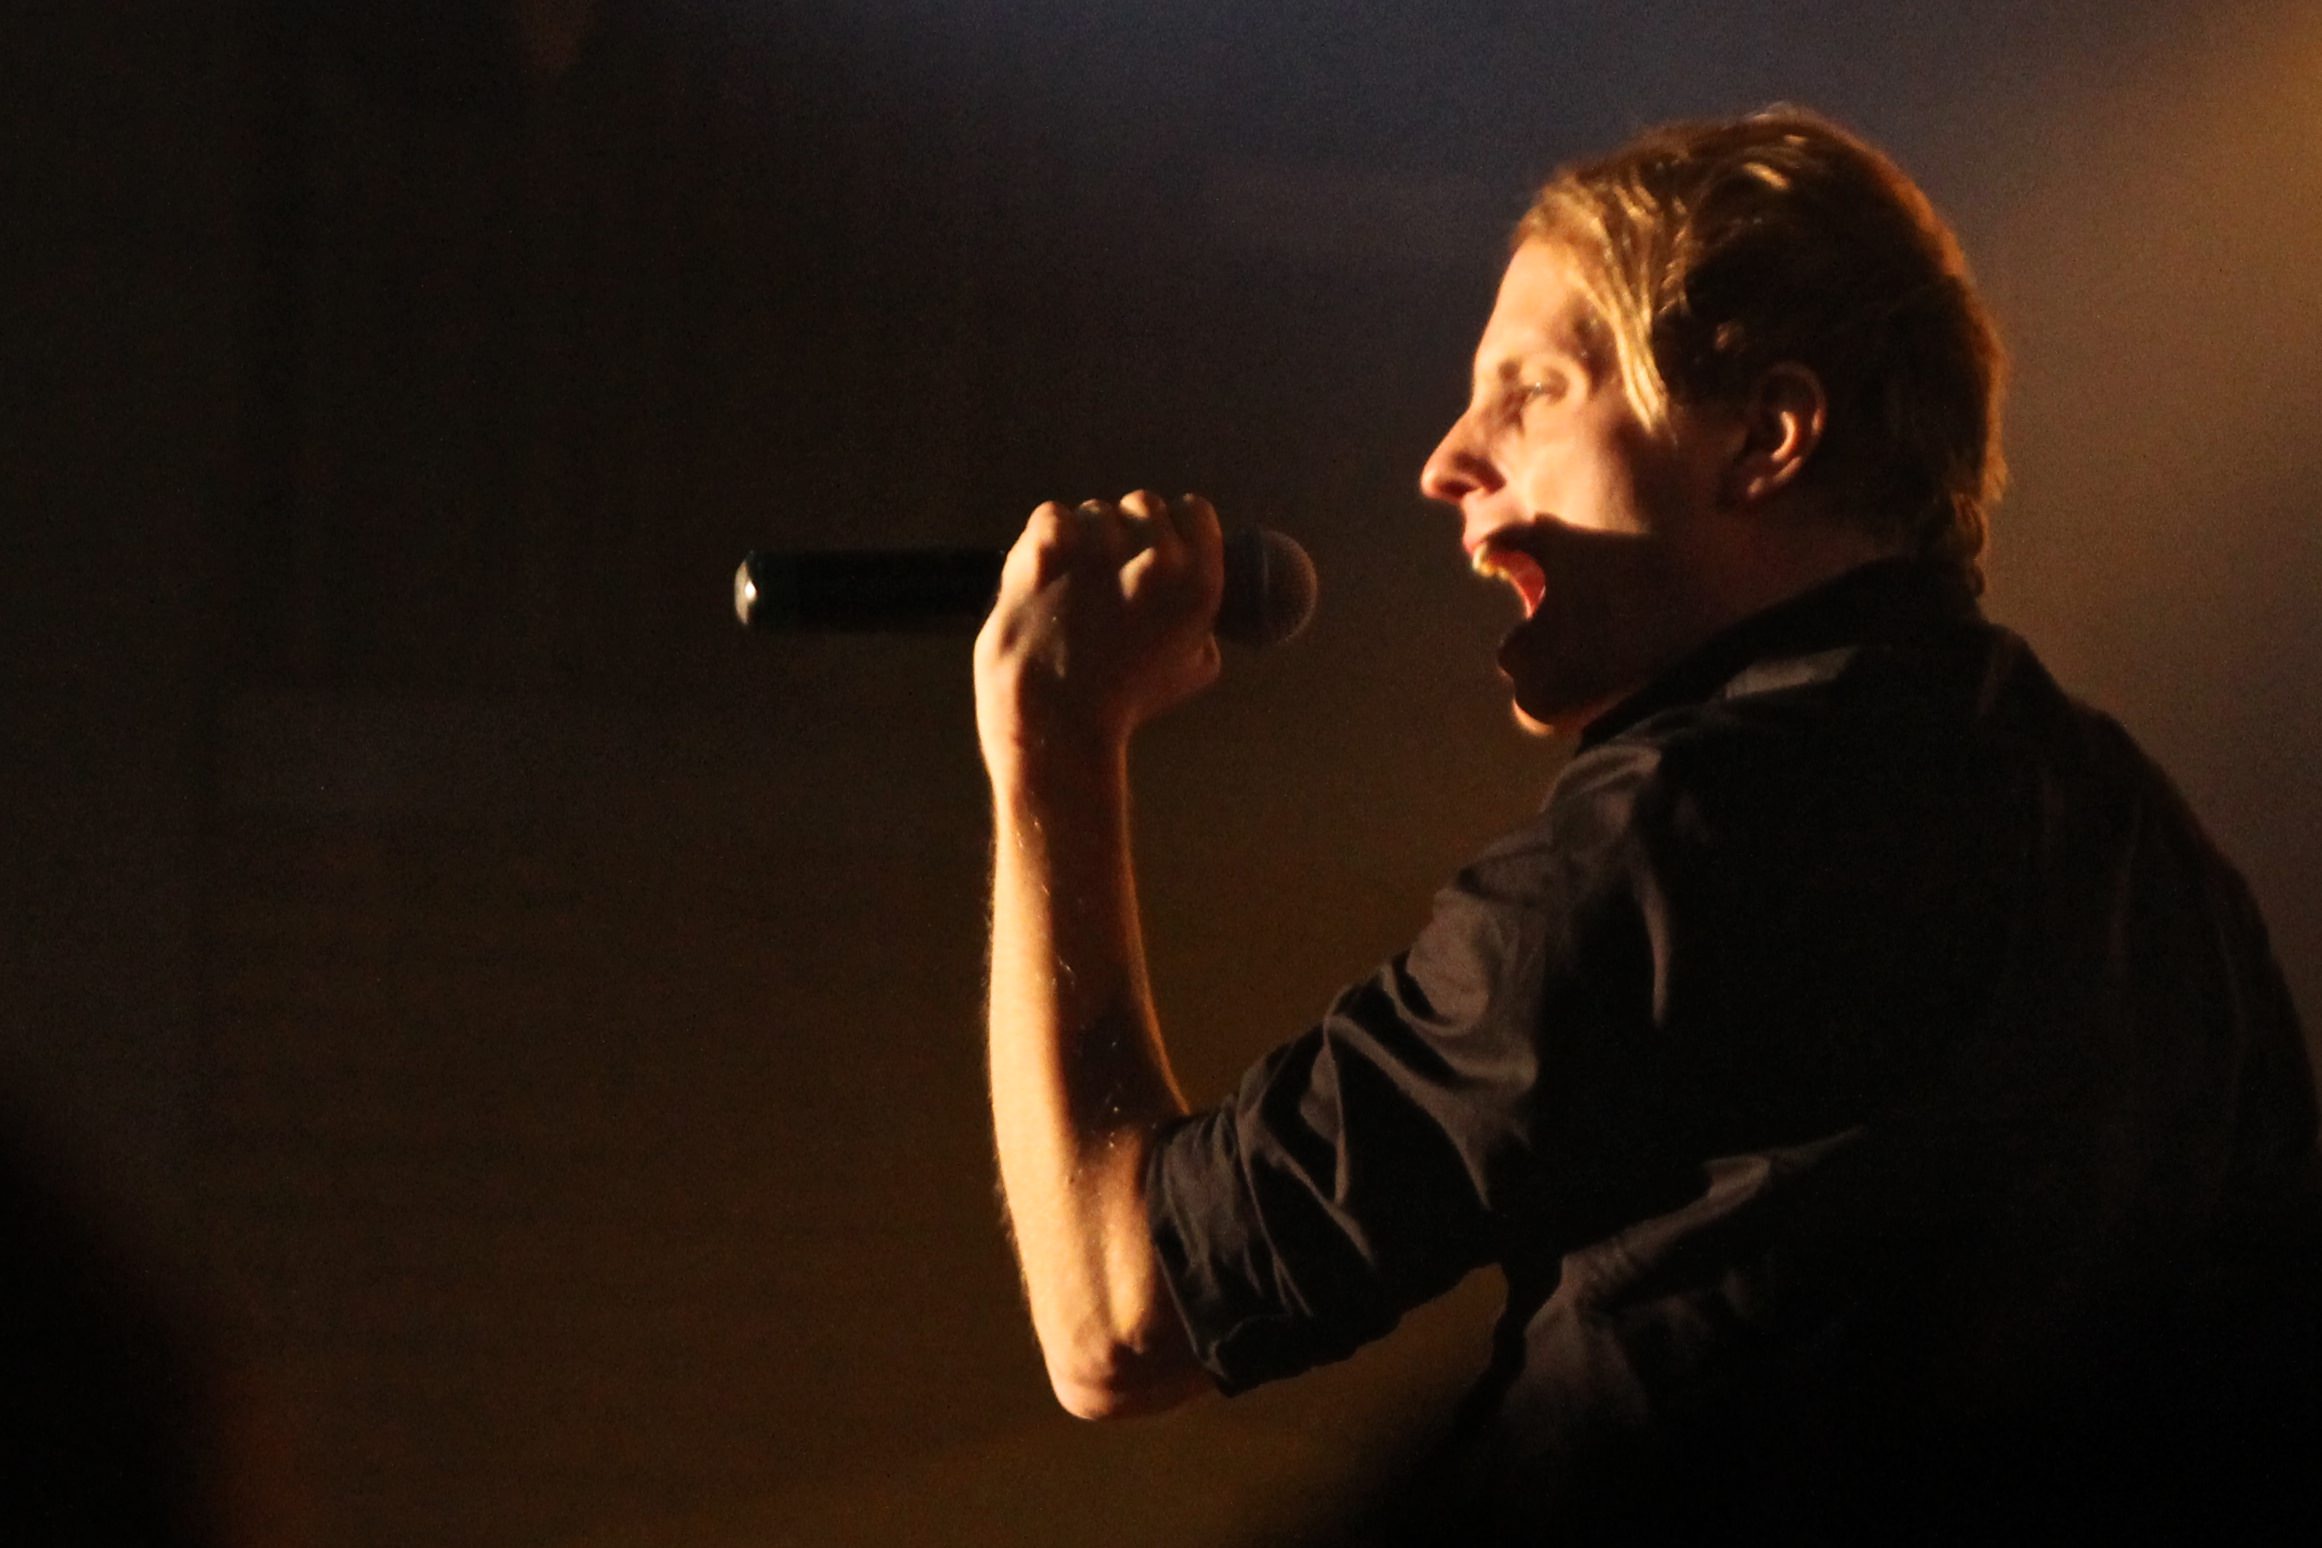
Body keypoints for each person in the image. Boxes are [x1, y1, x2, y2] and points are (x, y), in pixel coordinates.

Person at [972, 108, 2321, 1541]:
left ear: (1766, 437)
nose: (1447, 461)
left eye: (1530, 393)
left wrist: (1053, 742)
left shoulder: (1684, 832)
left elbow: (1118, 1312)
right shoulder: (2156, 861)